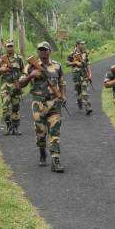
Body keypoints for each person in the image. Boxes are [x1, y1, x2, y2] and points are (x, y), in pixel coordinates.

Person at [18, 41, 66, 172]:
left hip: (54, 103)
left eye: (45, 50)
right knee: (40, 133)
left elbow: (62, 83)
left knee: (55, 133)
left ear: (49, 51)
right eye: (40, 50)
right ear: (38, 52)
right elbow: (20, 84)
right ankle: (42, 151)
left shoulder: (57, 66)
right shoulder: (30, 66)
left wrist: (63, 96)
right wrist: (31, 76)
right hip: (38, 104)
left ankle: (56, 160)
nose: (42, 52)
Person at [0, 40, 24, 135]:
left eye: (11, 46)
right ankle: (8, 127)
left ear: (14, 47)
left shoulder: (19, 58)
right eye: (8, 46)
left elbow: (24, 71)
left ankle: (15, 128)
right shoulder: (1, 59)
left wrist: (21, 82)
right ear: (6, 47)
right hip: (5, 86)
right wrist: (1, 69)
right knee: (5, 107)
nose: (10, 48)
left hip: (15, 86)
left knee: (15, 107)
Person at [67, 40, 93, 115]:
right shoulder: (72, 54)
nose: (84, 45)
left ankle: (88, 107)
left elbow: (87, 64)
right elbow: (67, 63)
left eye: (84, 44)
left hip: (84, 75)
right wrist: (74, 62)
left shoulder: (85, 53)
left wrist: (90, 74)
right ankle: (79, 101)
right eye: (82, 44)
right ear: (77, 45)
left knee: (85, 92)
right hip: (76, 76)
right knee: (78, 92)